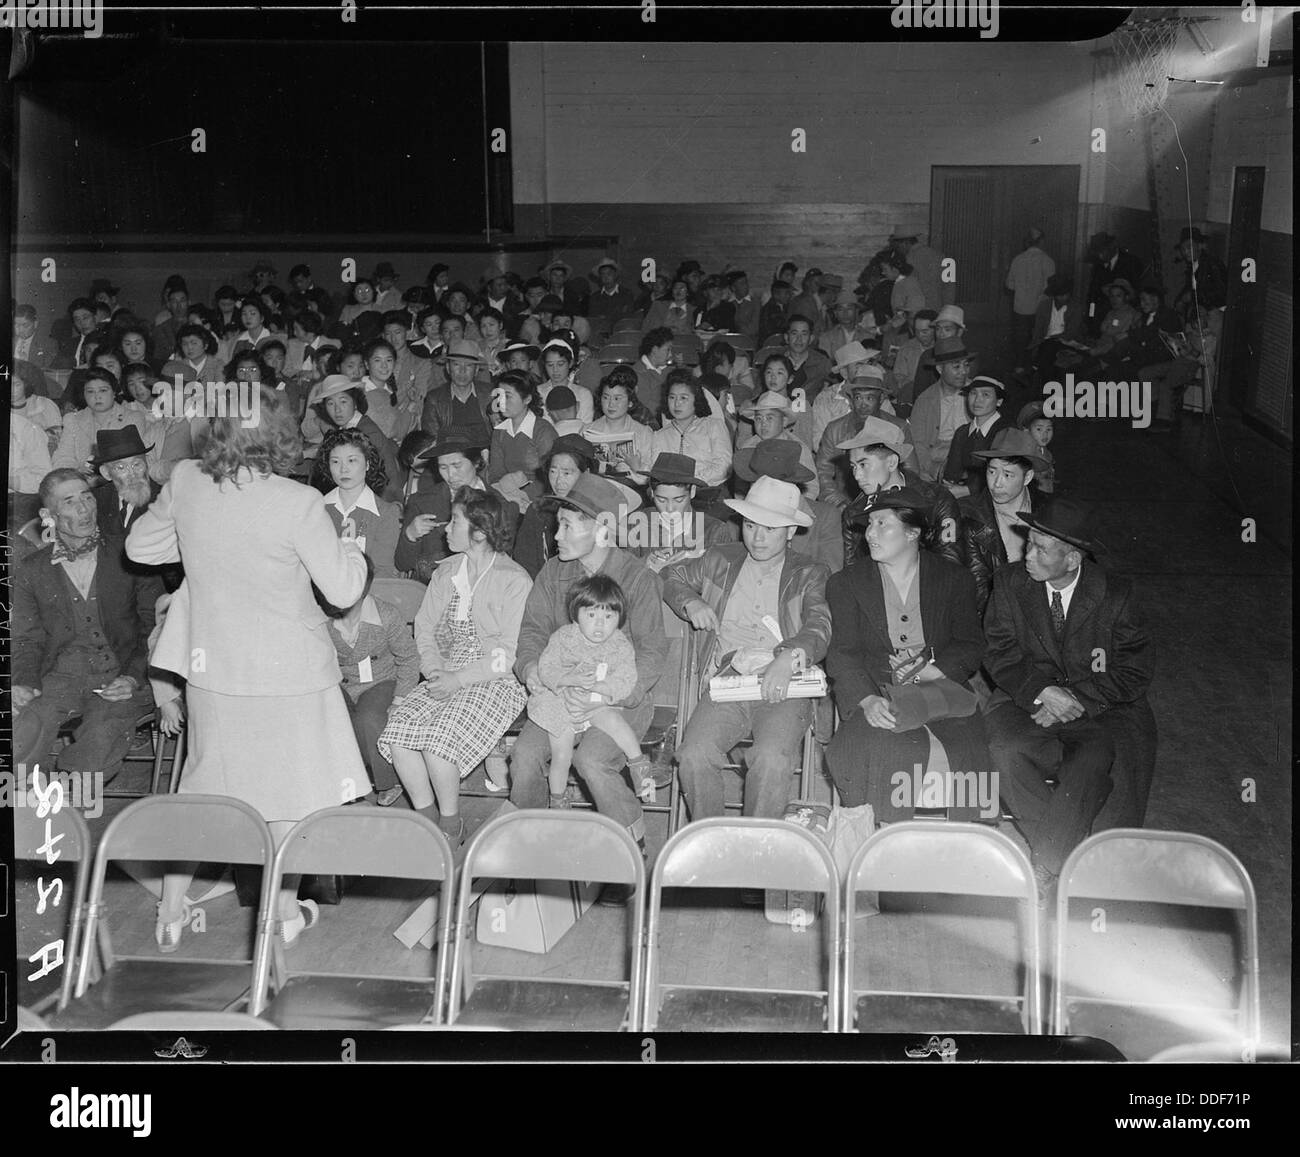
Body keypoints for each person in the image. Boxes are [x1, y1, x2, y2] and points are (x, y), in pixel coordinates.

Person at [126, 386, 371, 950]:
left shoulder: (187, 481)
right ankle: (282, 915)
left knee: (205, 794)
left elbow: (141, 549)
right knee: (293, 796)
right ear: (278, 435)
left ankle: (169, 913)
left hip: (216, 673)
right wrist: (354, 551)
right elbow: (342, 590)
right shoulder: (298, 500)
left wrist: (198, 550)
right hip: (293, 678)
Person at [982, 499, 1157, 898]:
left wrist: (1073, 698)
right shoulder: (1010, 583)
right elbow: (999, 651)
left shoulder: (1117, 594)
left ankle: (1045, 864)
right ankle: (1066, 853)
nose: (1028, 554)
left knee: (1093, 761)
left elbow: (1135, 670)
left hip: (1100, 706)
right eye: (1029, 543)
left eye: (1041, 549)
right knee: (1002, 750)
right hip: (1026, 697)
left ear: (1073, 559)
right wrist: (1042, 692)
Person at [510, 473, 668, 900]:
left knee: (593, 761)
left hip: (618, 697)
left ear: (601, 528)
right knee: (524, 758)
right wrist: (532, 672)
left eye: (566, 525)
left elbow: (653, 650)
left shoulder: (636, 578)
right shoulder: (553, 572)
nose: (556, 535)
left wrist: (613, 694)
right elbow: (531, 632)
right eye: (557, 524)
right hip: (560, 694)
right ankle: (534, 847)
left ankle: (628, 853)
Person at [665, 476, 831, 822]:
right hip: (728, 679)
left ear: (789, 531)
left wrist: (790, 656)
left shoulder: (809, 572)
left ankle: (756, 846)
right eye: (751, 525)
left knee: (771, 758)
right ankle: (711, 837)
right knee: (694, 754)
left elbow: (819, 624)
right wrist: (690, 603)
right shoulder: (719, 559)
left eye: (770, 529)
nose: (757, 537)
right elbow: (671, 576)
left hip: (784, 682)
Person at [825, 488, 990, 822]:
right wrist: (866, 699)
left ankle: (970, 839)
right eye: (869, 524)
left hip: (941, 689)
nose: (870, 533)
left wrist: (938, 670)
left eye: (882, 524)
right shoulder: (846, 583)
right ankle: (885, 838)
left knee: (971, 749)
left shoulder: (954, 579)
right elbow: (843, 654)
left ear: (912, 533)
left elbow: (970, 644)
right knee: (890, 748)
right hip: (877, 687)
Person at [14, 468, 162, 784]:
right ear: (47, 514)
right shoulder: (32, 569)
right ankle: (25, 816)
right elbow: (26, 639)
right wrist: (24, 683)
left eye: (87, 497)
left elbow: (156, 627)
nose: (84, 509)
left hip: (121, 677)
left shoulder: (131, 551)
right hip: (59, 680)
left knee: (99, 735)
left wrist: (133, 678)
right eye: (69, 501)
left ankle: (68, 813)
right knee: (22, 734)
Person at [528, 574, 652, 809]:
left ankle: (640, 769)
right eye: (591, 615)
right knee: (562, 756)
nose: (599, 624)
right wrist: (568, 678)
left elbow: (627, 677)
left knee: (617, 724)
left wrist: (603, 689)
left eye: (608, 616)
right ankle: (558, 800)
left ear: (619, 618)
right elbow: (546, 667)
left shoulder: (619, 644)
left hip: (595, 701)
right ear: (576, 615)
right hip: (559, 702)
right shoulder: (563, 637)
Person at [317, 553, 420, 807]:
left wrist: (399, 699)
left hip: (380, 681)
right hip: (339, 682)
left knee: (369, 718)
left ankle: (387, 780)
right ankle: (346, 780)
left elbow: (409, 659)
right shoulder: (321, 619)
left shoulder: (385, 615)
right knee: (331, 715)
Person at [837, 417, 963, 568]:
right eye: (853, 467)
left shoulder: (937, 500)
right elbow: (852, 573)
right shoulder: (853, 514)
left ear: (891, 462)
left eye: (863, 464)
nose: (857, 475)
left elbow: (950, 565)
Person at [959, 426, 1049, 613]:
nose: (997, 483)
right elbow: (976, 591)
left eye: (1007, 474)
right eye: (992, 472)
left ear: (1028, 477)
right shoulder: (966, 514)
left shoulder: (1049, 512)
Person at [734, 438, 843, 574]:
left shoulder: (825, 516)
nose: (766, 488)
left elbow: (830, 574)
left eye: (776, 484)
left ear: (793, 484)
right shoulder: (735, 522)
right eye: (760, 482)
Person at [816, 364, 915, 506]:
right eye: (858, 397)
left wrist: (891, 504)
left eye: (869, 398)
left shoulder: (898, 428)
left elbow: (911, 473)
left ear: (881, 399)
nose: (863, 404)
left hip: (890, 500)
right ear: (851, 399)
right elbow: (823, 472)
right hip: (846, 500)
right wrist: (839, 503)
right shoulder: (835, 429)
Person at [313, 427, 402, 577]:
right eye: (335, 461)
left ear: (367, 464)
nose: (343, 469)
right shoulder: (317, 508)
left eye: (351, 460)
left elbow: (382, 572)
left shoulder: (386, 513)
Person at [628, 452, 738, 573]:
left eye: (678, 500)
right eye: (661, 499)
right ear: (652, 494)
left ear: (692, 492)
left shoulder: (714, 531)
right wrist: (643, 565)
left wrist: (696, 563)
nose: (669, 509)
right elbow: (622, 575)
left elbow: (725, 580)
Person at [514, 433, 599, 579]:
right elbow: (525, 563)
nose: (558, 480)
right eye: (553, 472)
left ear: (587, 473)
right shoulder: (538, 510)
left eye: (567, 473)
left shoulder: (599, 511)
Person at [310, 375, 404, 503]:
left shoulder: (365, 432)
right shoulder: (348, 429)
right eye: (331, 403)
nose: (337, 409)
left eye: (343, 401)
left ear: (355, 403)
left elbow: (384, 480)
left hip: (383, 500)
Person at [53, 369, 149, 475]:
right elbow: (63, 457)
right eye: (90, 391)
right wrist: (76, 471)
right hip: (81, 479)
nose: (97, 396)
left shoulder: (133, 418)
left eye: (103, 390)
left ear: (114, 392)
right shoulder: (72, 420)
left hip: (122, 477)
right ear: (84, 394)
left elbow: (137, 459)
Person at [487, 369, 558, 513]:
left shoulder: (543, 430)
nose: (501, 402)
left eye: (508, 396)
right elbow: (496, 474)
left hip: (540, 501)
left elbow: (551, 478)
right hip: (508, 497)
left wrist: (522, 495)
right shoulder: (500, 431)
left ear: (527, 399)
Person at [648, 370, 732, 490]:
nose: (677, 403)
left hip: (709, 492)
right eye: (672, 397)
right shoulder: (660, 435)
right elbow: (656, 471)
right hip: (671, 495)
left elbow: (723, 466)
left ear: (696, 399)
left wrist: (691, 481)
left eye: (683, 398)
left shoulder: (714, 426)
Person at [908, 337, 973, 483]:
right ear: (939, 369)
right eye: (956, 367)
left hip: (970, 460)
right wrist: (931, 469)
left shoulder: (978, 393)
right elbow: (917, 443)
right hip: (938, 459)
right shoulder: (925, 400)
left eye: (966, 365)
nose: (963, 371)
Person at [941, 375, 1012, 498]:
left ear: (999, 401)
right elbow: (951, 474)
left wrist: (968, 490)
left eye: (985, 395)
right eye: (973, 393)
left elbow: (1007, 477)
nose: (977, 400)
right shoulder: (962, 433)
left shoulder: (1007, 432)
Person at [736, 391, 818, 497]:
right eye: (758, 419)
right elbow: (740, 486)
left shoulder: (797, 448)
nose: (763, 423)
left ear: (784, 421)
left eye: (770, 418)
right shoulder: (748, 447)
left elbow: (811, 487)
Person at [583, 366, 655, 479]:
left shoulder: (644, 433)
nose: (611, 404)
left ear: (630, 402)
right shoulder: (587, 431)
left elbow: (652, 477)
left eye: (617, 399)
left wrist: (637, 467)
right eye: (606, 398)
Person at [420, 339, 495, 446]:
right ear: (448, 368)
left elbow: (501, 434)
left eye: (469, 365)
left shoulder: (491, 394)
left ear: (476, 370)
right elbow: (431, 439)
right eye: (456, 365)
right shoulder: (434, 399)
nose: (462, 371)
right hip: (450, 458)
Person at [1005, 227, 1055, 367]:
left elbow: (1010, 285)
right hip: (1040, 308)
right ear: (1042, 242)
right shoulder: (1048, 261)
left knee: (1021, 339)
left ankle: (1020, 366)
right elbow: (1051, 288)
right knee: (1038, 338)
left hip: (1021, 308)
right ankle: (1035, 367)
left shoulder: (1017, 259)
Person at [1028, 273, 1087, 383]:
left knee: (1048, 348)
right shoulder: (1044, 305)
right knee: (1047, 353)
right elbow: (1038, 330)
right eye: (1059, 295)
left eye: (1066, 294)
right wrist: (1036, 344)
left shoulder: (1076, 308)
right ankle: (1049, 387)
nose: (1063, 297)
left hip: (1067, 342)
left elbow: (1071, 333)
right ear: (1054, 295)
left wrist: (1049, 339)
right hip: (1045, 344)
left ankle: (1034, 373)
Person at [1084, 233, 1145, 336]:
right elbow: (1092, 297)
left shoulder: (1131, 262)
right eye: (1097, 252)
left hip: (1124, 321)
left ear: (1112, 247)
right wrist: (1090, 317)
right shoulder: (1097, 266)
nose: (1099, 256)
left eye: (1102, 251)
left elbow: (1137, 294)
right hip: (1101, 322)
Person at [1172, 226, 1228, 319]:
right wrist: (1180, 300)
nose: (1185, 252)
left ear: (1199, 246)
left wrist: (1193, 296)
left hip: (1217, 313)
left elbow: (1221, 294)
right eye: (1183, 249)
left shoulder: (1213, 264)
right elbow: (1189, 288)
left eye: (1189, 247)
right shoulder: (1193, 266)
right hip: (1201, 313)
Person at [587, 258, 636, 341]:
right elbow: (593, 320)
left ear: (615, 275)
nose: (606, 277)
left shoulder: (626, 294)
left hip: (622, 336)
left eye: (609, 273)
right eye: (603, 274)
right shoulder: (594, 297)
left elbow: (627, 318)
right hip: (600, 338)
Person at [1018, 401, 1056, 494]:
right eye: (1039, 429)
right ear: (1026, 431)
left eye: (1048, 429)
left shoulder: (1047, 453)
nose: (1045, 434)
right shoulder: (1023, 455)